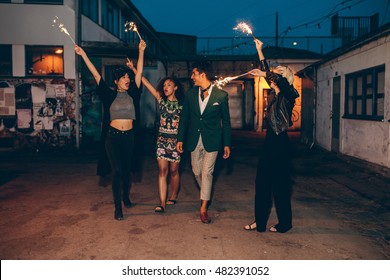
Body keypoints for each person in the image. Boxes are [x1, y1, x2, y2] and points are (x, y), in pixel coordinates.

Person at [75, 40, 146, 220]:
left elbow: (140, 73)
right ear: (116, 81)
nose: (128, 80)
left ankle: (126, 196)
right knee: (117, 171)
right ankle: (118, 208)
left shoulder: (134, 94)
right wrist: (83, 55)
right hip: (112, 138)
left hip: (129, 137)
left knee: (127, 170)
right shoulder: (108, 94)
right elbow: (95, 73)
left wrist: (141, 51)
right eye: (124, 78)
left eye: (128, 77)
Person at [244, 38, 299, 233]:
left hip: (281, 143)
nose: (274, 74)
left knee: (280, 185)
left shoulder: (288, 95)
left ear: (286, 78)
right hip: (269, 141)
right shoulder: (276, 96)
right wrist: (260, 50)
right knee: (262, 183)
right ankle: (260, 222)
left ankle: (285, 223)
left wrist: (267, 72)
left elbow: (281, 83)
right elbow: (268, 75)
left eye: (279, 72)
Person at [176, 61, 231, 224]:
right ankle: (205, 193)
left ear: (202, 75)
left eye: (194, 74)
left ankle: (203, 209)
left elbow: (226, 122)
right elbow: (184, 118)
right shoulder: (191, 94)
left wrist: (227, 143)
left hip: (213, 140)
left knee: (207, 172)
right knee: (196, 171)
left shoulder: (221, 96)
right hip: (194, 139)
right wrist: (180, 138)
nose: (191, 77)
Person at [128, 62, 184, 213]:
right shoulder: (161, 100)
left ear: (175, 88)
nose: (165, 87)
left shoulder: (182, 105)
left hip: (175, 142)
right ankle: (162, 203)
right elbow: (146, 83)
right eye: (164, 85)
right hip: (161, 141)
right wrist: (133, 69)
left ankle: (173, 195)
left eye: (169, 85)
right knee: (162, 171)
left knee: (174, 171)